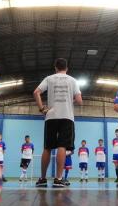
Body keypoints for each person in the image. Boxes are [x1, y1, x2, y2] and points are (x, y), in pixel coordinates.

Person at [33, 58, 82, 188]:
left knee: (47, 147)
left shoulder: (49, 78)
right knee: (62, 146)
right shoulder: (73, 80)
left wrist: (42, 108)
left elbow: (36, 92)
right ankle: (58, 179)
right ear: (67, 68)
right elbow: (79, 100)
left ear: (55, 68)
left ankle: (42, 178)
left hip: (51, 116)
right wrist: (69, 100)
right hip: (67, 116)